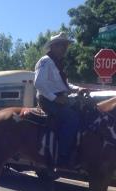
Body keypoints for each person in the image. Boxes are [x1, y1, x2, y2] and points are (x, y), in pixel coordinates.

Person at [34, 32, 87, 169]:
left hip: (59, 98)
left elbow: (65, 85)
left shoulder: (57, 63)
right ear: (54, 46)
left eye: (66, 46)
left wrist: (77, 89)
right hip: (47, 100)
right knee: (72, 118)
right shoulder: (45, 61)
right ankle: (63, 156)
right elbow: (38, 83)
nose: (65, 48)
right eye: (62, 45)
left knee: (84, 111)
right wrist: (55, 98)